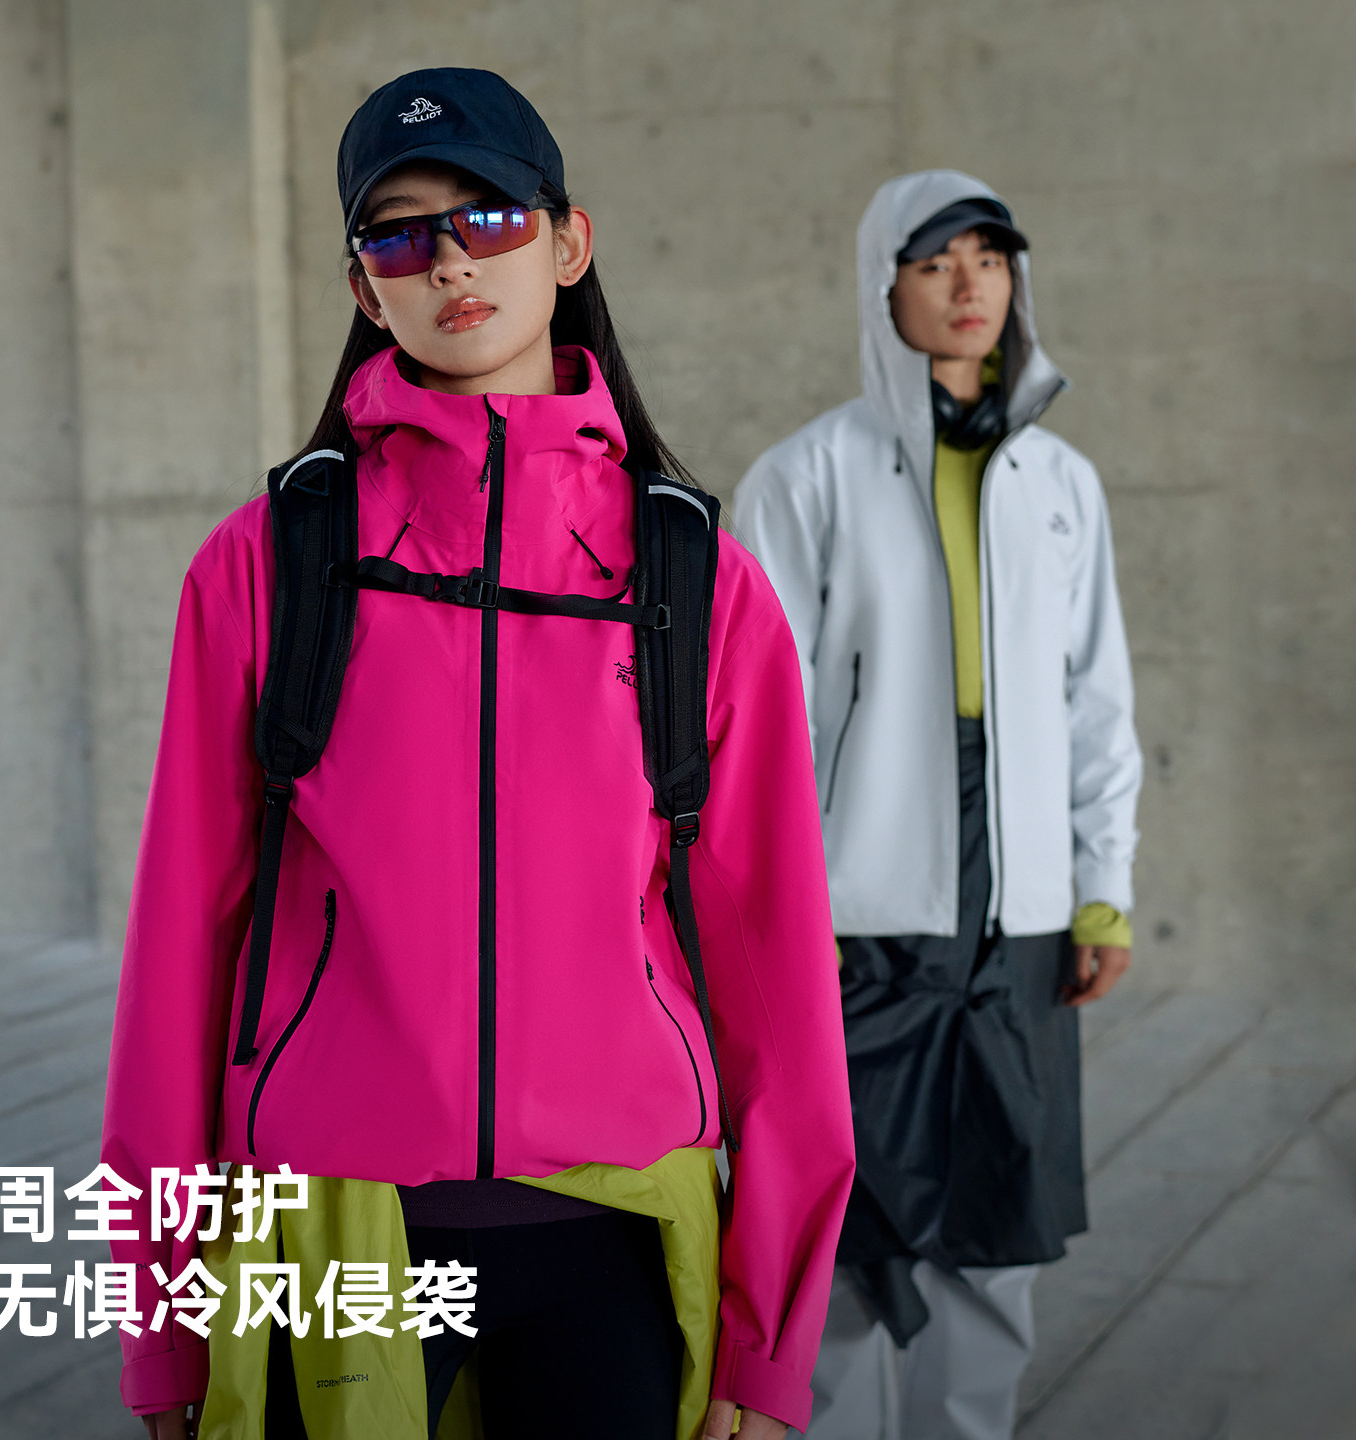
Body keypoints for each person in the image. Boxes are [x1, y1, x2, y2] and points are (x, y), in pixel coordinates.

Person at [100, 68, 854, 1440]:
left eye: (489, 215)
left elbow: (775, 966)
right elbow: (180, 955)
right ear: (362, 288)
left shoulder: (695, 578)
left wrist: (769, 1343)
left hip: (619, 1233)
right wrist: (161, 1321)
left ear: (568, 244)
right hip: (332, 1226)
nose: (449, 260)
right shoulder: (269, 565)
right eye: (399, 236)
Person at [732, 171, 1142, 1440]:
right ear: (883, 289)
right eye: (934, 262)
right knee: (850, 1237)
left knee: (996, 1236)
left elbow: (1095, 699)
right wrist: (765, 916)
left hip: (1018, 910)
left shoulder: (1063, 484)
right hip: (857, 913)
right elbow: (755, 726)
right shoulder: (805, 477)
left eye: (991, 259)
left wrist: (1101, 889)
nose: (970, 285)